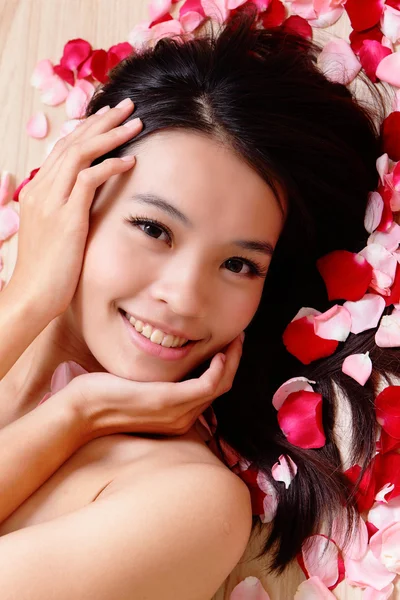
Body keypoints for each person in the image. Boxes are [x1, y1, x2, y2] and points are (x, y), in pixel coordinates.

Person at [0, 4, 390, 598]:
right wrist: (27, 310)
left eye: (239, 264)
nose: (183, 298)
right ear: (76, 196)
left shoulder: (185, 504)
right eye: (155, 229)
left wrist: (78, 413)